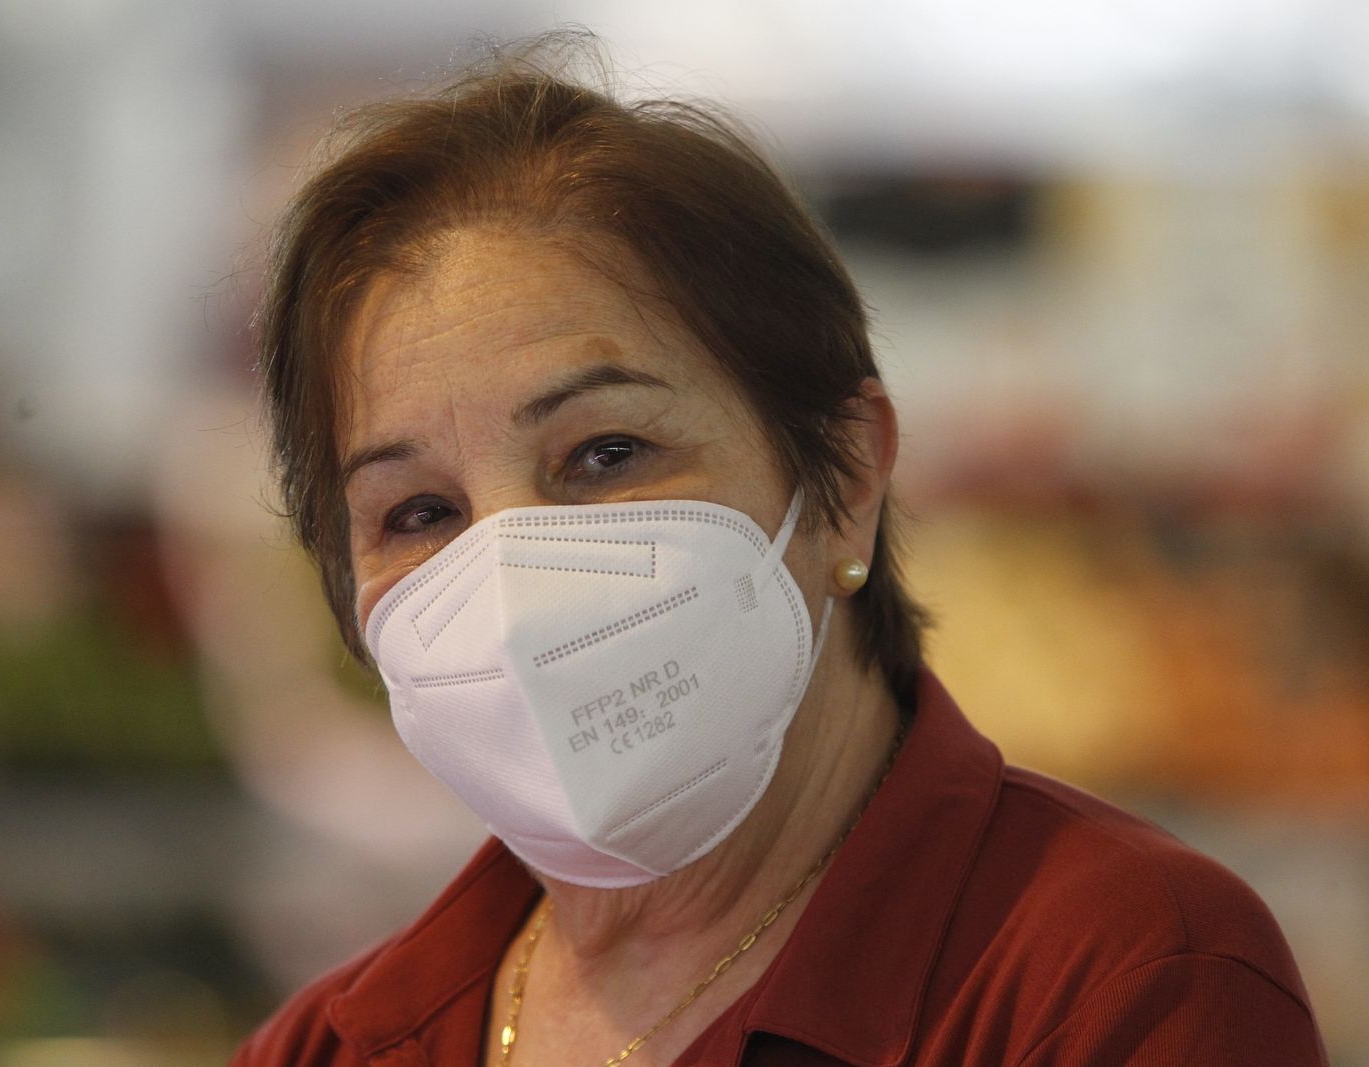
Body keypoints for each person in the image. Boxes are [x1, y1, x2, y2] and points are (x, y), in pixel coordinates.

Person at [232, 35, 1327, 1067]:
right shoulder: (329, 1043)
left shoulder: (1114, 977)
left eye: (606, 452)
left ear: (844, 476)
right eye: (417, 512)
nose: (515, 579)